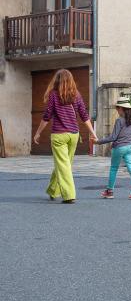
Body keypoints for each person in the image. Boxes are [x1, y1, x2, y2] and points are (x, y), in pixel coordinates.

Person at [33, 69, 97, 203]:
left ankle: (69, 195)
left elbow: (47, 116)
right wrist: (92, 132)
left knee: (63, 165)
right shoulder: (77, 95)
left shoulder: (53, 95)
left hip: (59, 136)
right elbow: (84, 116)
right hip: (74, 135)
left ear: (57, 80)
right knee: (64, 164)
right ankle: (53, 190)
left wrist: (38, 133)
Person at [95, 98, 131, 200]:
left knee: (113, 168)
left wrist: (98, 142)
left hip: (120, 147)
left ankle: (110, 191)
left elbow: (113, 137)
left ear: (121, 108)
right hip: (130, 147)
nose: (116, 110)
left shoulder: (119, 120)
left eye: (117, 108)